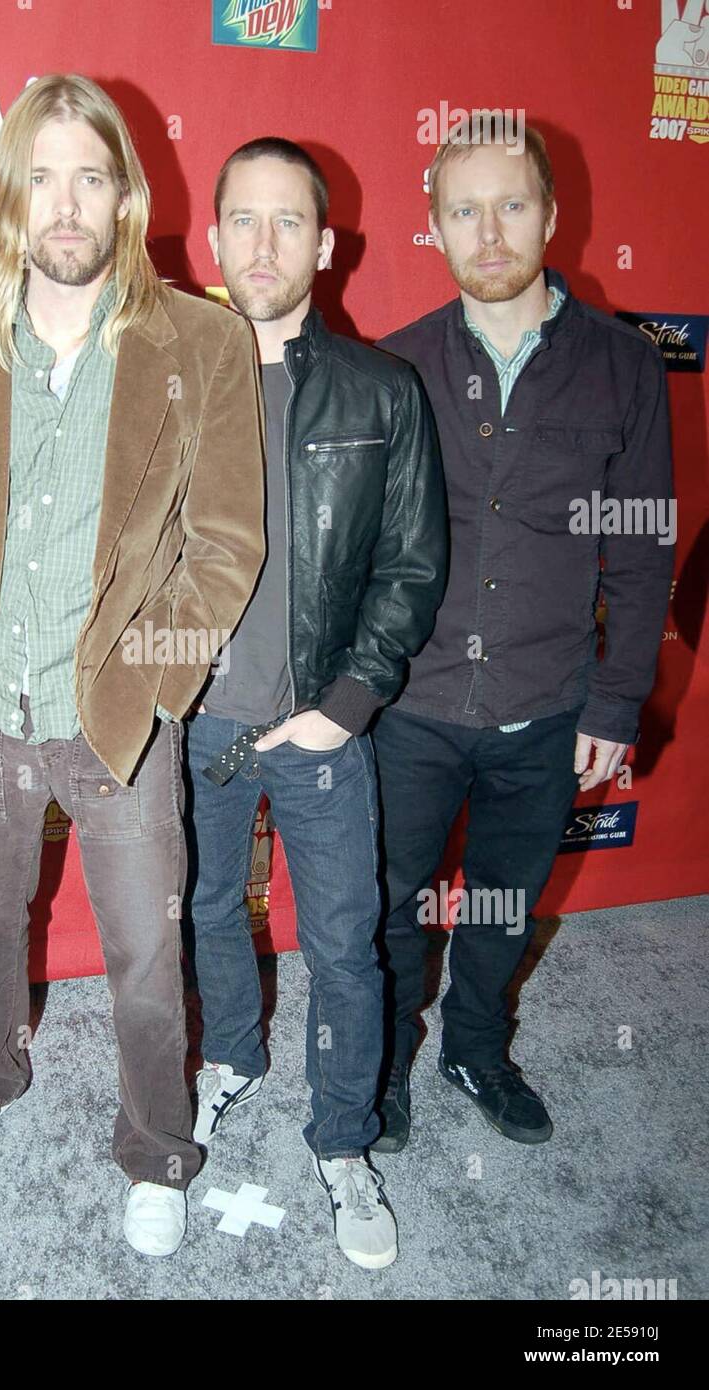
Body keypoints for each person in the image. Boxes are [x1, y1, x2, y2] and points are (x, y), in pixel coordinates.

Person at [0, 75, 266, 1258]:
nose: (67, 201)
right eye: (42, 175)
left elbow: (227, 545)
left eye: (91, 174)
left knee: (146, 953)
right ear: (10, 193)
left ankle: (158, 1143)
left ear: (125, 194)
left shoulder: (203, 341)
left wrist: (156, 691)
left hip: (119, 717)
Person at [371, 121, 674, 1154]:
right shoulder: (397, 366)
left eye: (510, 206)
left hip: (548, 705)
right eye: (465, 210)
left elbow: (639, 548)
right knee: (392, 907)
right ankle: (383, 1057)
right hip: (410, 701)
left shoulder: (626, 370)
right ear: (435, 229)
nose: (489, 231)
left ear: (549, 215)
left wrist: (617, 697)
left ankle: (475, 1045)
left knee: (503, 905)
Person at [184, 138, 447, 1268]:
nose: (263, 243)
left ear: (326, 244)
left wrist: (347, 700)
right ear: (213, 237)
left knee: (345, 946)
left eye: (288, 221)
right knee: (201, 911)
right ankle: (231, 1059)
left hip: (321, 729)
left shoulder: (383, 389)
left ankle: (343, 1141)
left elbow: (412, 564)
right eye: (243, 218)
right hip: (189, 724)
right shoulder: (171, 378)